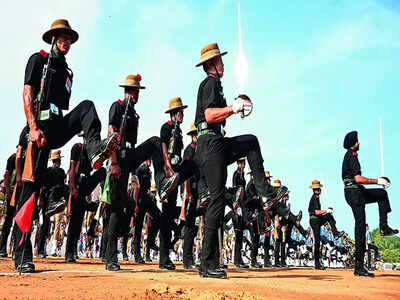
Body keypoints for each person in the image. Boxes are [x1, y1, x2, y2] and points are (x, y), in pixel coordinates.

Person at [14, 19, 120, 273]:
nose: (67, 41)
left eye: (69, 37)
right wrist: (32, 126)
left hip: (56, 127)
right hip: (37, 131)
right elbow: (27, 92)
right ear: (53, 37)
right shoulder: (38, 60)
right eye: (62, 36)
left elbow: (62, 105)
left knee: (87, 107)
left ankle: (95, 151)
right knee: (30, 190)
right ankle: (22, 254)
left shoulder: (67, 72)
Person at [194, 42, 287, 278]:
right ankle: (207, 263)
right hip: (211, 145)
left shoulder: (216, 85)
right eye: (220, 61)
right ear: (212, 64)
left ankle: (265, 192)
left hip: (215, 144)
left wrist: (233, 105)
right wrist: (233, 108)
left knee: (251, 142)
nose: (223, 64)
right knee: (216, 202)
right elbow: (208, 115)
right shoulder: (210, 83)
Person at [104, 74, 179, 271]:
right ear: (125, 91)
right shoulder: (118, 106)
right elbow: (111, 132)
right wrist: (113, 163)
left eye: (137, 91)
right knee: (116, 207)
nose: (135, 94)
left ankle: (161, 182)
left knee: (155, 141)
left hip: (130, 155)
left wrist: (134, 173)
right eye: (132, 91)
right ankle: (111, 257)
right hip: (118, 157)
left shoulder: (135, 116)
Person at [342, 131, 398, 277]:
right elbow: (358, 178)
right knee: (360, 227)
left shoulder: (348, 156)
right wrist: (377, 181)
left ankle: (384, 227)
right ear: (353, 144)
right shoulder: (352, 156)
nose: (359, 143)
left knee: (382, 194)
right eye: (357, 141)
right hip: (355, 194)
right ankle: (359, 267)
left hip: (355, 192)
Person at [65, 136, 106, 262]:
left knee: (103, 171)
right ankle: (70, 252)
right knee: (75, 222)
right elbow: (71, 168)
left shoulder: (92, 151)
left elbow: (97, 167)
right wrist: (72, 188)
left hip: (85, 186)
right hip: (76, 185)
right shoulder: (77, 147)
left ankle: (105, 198)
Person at [308, 180, 344, 270]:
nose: (319, 190)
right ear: (316, 190)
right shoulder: (314, 198)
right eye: (318, 189)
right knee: (317, 241)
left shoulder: (316, 197)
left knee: (329, 216)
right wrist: (326, 210)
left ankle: (335, 233)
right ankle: (317, 263)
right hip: (314, 220)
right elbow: (316, 212)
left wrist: (327, 212)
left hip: (317, 220)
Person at [132, 160, 160, 263]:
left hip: (147, 199)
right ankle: (137, 254)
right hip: (140, 200)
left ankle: (151, 243)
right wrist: (134, 203)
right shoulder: (140, 169)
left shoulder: (148, 170)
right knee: (138, 227)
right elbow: (135, 187)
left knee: (158, 216)